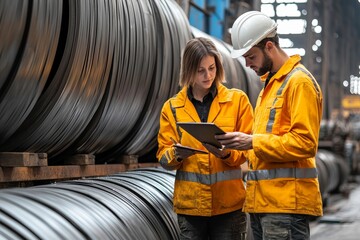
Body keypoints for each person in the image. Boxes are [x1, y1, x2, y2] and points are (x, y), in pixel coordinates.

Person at [215, 11, 323, 240]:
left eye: (251, 56)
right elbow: (265, 147)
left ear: (270, 47)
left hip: (285, 207)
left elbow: (305, 144)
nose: (247, 64)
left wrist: (252, 141)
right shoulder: (270, 87)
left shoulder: (299, 83)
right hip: (262, 203)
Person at [156, 37, 254, 240]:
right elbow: (163, 158)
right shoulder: (172, 108)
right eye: (200, 70)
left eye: (212, 68)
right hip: (191, 209)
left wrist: (227, 153)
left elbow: (248, 150)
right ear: (189, 71)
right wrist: (177, 154)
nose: (208, 75)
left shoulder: (237, 102)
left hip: (229, 207)